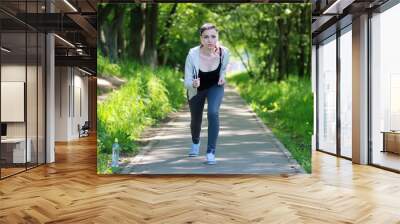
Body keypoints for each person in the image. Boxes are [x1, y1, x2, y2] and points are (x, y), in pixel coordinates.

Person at [184, 23, 230, 165]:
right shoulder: (192, 54)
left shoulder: (224, 52)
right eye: (206, 37)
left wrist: (222, 76)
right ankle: (195, 142)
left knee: (213, 113)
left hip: (215, 87)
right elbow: (186, 80)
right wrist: (193, 83)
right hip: (196, 89)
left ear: (217, 37)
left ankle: (210, 152)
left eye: (213, 36)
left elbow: (223, 69)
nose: (210, 40)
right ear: (201, 39)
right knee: (196, 120)